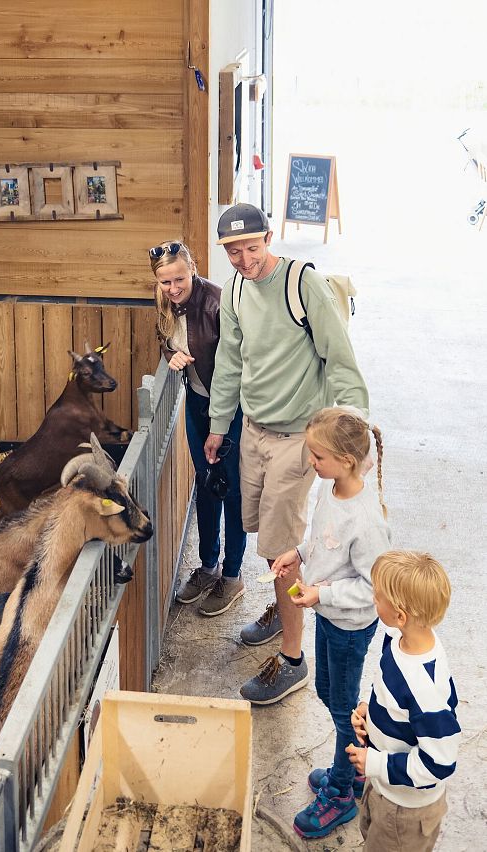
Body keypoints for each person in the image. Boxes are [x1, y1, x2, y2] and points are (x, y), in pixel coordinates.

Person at [204, 202, 370, 704]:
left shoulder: (304, 286)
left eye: (252, 247)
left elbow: (340, 360)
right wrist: (218, 425)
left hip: (298, 438)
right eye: (233, 251)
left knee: (283, 550)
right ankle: (283, 607)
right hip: (253, 431)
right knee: (265, 534)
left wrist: (354, 434)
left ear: (269, 237)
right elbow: (230, 362)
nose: (243, 259)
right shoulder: (234, 289)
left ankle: (294, 659)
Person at [271, 407, 390, 838]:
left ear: (347, 461)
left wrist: (324, 594)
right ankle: (352, 765)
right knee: (328, 692)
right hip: (327, 614)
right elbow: (322, 538)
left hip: (350, 624)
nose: (311, 463)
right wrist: (299, 554)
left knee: (343, 709)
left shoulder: (366, 519)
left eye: (318, 457)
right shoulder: (331, 489)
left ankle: (342, 791)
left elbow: (375, 589)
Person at [150, 240, 247, 615]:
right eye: (164, 282)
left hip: (227, 406)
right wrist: (169, 354)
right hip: (196, 402)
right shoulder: (165, 304)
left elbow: (232, 367)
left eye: (179, 278)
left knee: (232, 488)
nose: (173, 288)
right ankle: (208, 566)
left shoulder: (217, 304)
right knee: (206, 484)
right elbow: (167, 339)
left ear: (192, 267)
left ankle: (233, 574)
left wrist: (219, 425)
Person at [347, 551, 459, 852]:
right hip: (385, 786)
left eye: (378, 596)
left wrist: (376, 762)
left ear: (400, 615)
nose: (373, 598)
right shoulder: (397, 641)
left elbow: (440, 762)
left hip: (406, 811)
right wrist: (371, 713)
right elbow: (391, 693)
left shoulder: (425, 688)